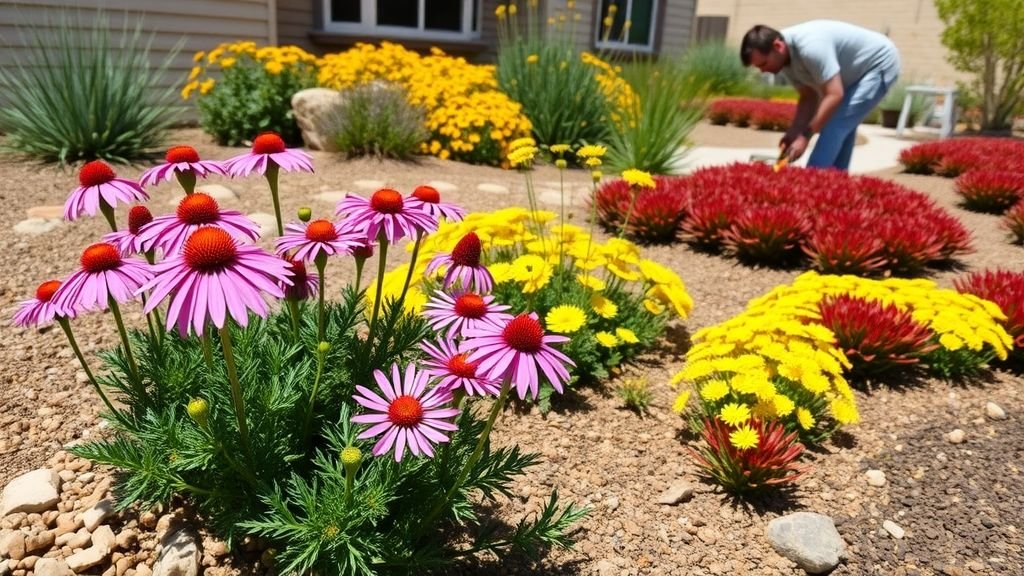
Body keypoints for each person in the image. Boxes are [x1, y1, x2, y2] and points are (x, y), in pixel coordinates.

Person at [740, 20, 900, 171]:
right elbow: (808, 97)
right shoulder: (784, 59)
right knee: (841, 128)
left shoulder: (811, 47)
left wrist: (804, 137)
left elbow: (835, 94)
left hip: (878, 64)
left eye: (763, 64)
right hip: (851, 76)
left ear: (778, 46)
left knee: (834, 125)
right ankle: (836, 185)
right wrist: (794, 132)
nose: (762, 70)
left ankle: (812, 182)